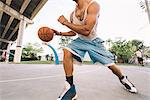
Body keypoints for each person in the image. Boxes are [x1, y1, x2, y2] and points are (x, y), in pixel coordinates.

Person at [53, 0, 137, 99]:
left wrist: (65, 22)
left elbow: (87, 30)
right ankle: (70, 88)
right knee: (67, 50)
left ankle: (123, 78)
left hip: (93, 41)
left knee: (111, 65)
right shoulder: (72, 14)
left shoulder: (93, 5)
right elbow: (74, 32)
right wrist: (59, 33)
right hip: (81, 41)